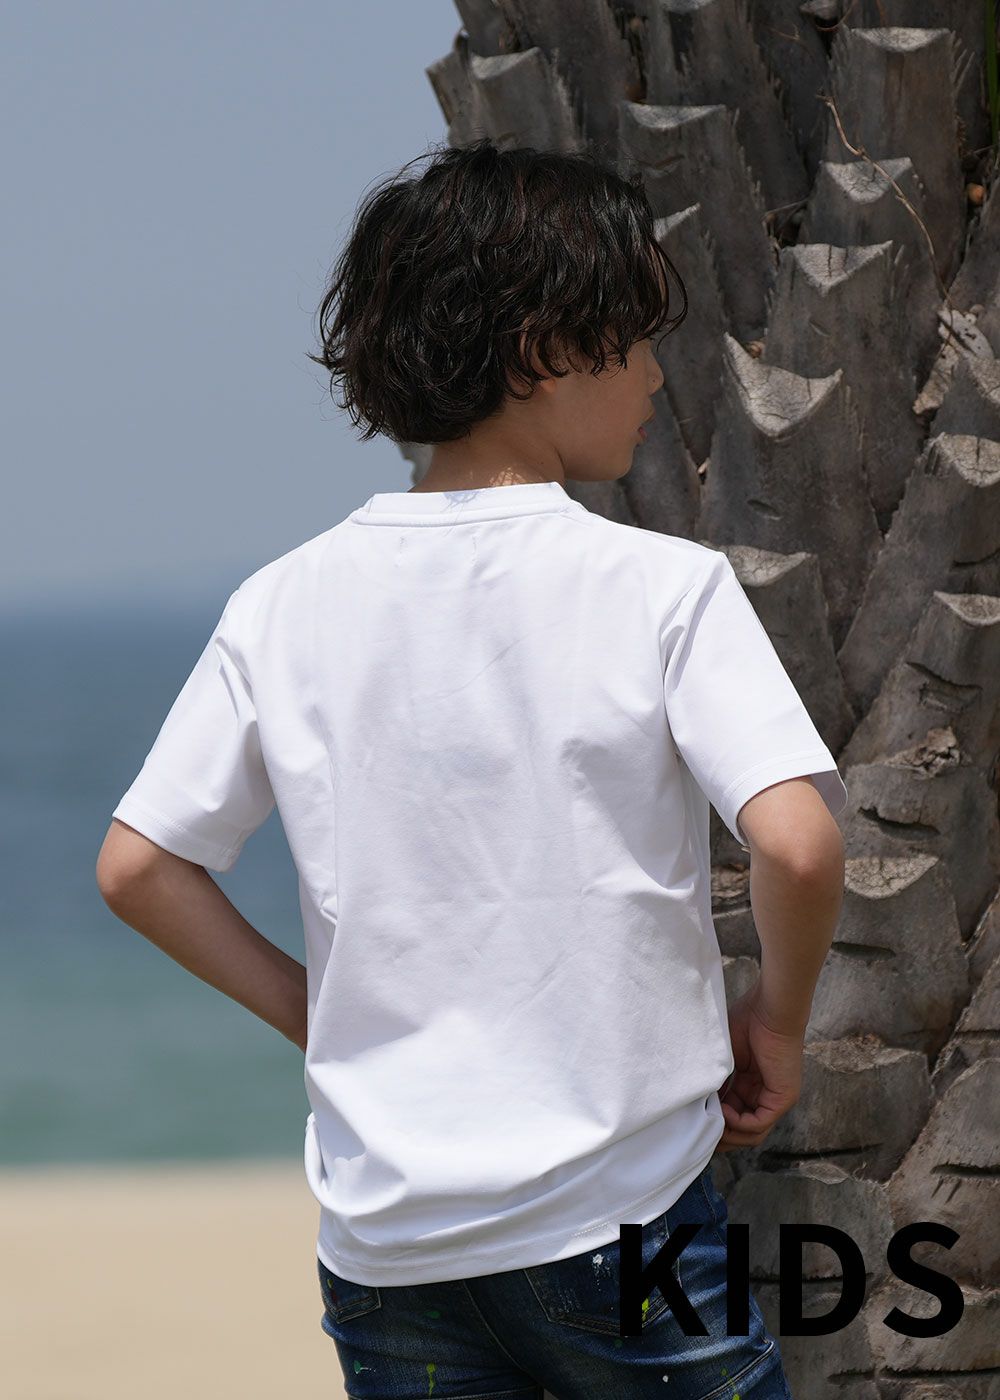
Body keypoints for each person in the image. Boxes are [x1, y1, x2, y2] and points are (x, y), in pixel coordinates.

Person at [96, 137, 847, 1398]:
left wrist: (316, 1014)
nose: (654, 374)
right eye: (633, 339)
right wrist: (776, 1019)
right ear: (542, 349)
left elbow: (139, 867)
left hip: (387, 1252)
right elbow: (798, 840)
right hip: (621, 1221)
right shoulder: (660, 587)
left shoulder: (281, 603)